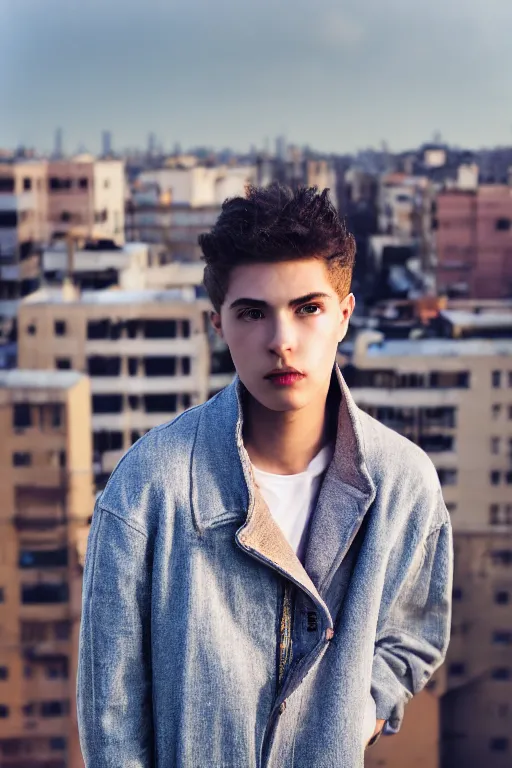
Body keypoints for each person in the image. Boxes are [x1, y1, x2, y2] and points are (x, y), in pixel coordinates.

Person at [77, 183, 453, 767]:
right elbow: (112, 721)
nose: (281, 342)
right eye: (252, 313)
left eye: (309, 308)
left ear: (345, 315)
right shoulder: (148, 488)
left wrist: (358, 717)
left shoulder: (404, 483)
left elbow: (413, 635)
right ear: (218, 325)